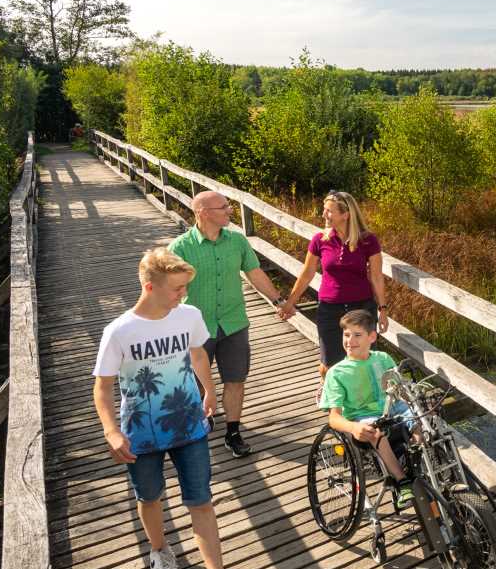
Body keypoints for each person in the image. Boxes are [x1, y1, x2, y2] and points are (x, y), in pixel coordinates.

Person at [92, 247, 247, 569]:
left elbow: (198, 354)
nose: (184, 294)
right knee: (149, 496)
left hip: (189, 425)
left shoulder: (189, 315)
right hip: (141, 433)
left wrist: (209, 389)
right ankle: (160, 550)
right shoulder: (119, 331)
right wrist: (111, 431)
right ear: (150, 287)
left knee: (201, 499)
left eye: (185, 287)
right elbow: (102, 387)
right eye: (177, 288)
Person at [170, 190, 292, 457]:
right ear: (203, 213)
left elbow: (254, 272)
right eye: (223, 207)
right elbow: (167, 288)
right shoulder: (180, 248)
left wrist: (278, 300)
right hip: (196, 328)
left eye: (229, 206)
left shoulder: (237, 241)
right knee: (195, 382)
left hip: (234, 323)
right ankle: (200, 420)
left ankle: (233, 433)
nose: (229, 210)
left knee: (235, 380)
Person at [279, 190, 389, 372]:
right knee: (328, 365)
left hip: (361, 309)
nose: (324, 214)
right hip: (329, 310)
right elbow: (307, 273)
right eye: (324, 209)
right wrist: (290, 302)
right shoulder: (320, 240)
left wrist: (383, 309)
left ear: (346, 215)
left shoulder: (368, 240)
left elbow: (377, 277)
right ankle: (330, 390)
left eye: (329, 211)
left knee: (363, 363)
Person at [320, 308, 411, 506]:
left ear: (372, 337)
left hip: (392, 409)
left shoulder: (383, 359)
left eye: (357, 335)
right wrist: (353, 427)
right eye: (346, 335)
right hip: (362, 417)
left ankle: (419, 459)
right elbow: (333, 418)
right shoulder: (337, 373)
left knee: (420, 417)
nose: (350, 340)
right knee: (375, 432)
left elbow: (400, 390)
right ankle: (402, 480)